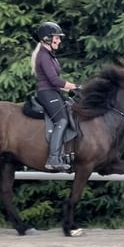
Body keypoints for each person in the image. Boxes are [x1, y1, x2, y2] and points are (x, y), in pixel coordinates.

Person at [31, 21, 79, 171]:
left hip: (53, 91)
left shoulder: (50, 55)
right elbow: (54, 80)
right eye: (56, 38)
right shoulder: (44, 56)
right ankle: (53, 158)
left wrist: (70, 90)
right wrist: (75, 86)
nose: (59, 40)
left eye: (59, 38)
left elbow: (55, 83)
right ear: (46, 38)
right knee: (62, 120)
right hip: (47, 93)